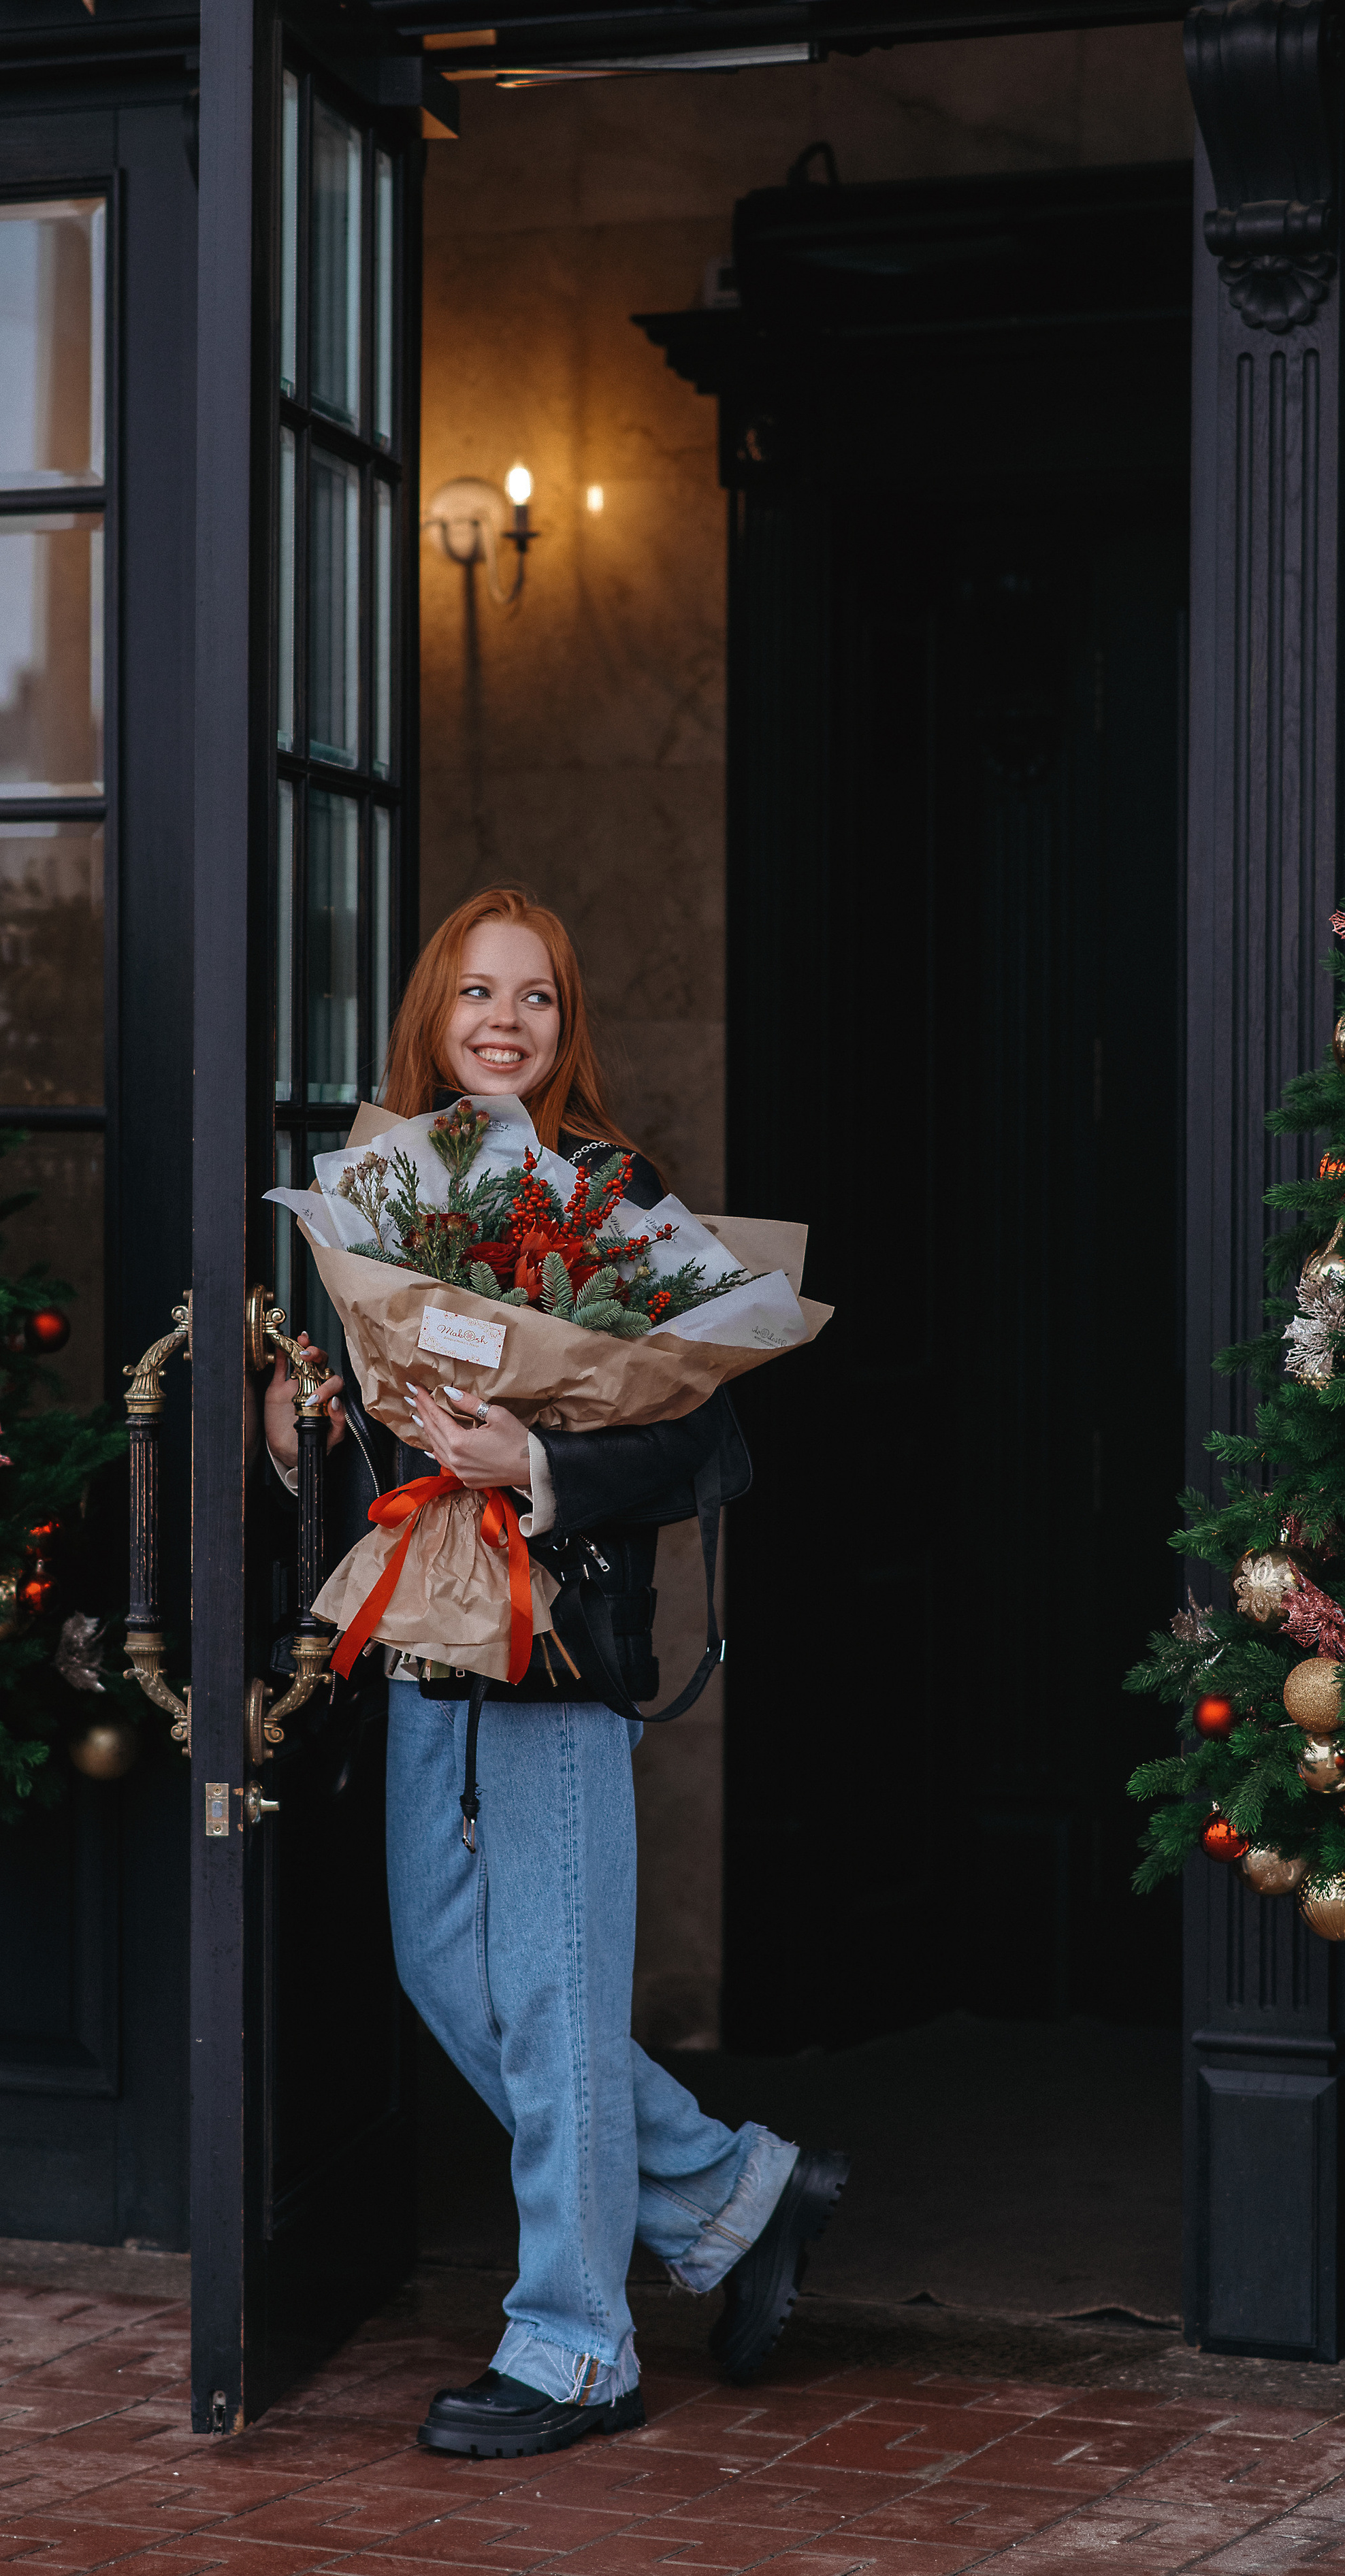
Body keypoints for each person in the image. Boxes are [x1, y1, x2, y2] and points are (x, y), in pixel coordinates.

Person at [265, 885, 847, 2459]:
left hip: (555, 1641)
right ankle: (734, 2188)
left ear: (562, 1021)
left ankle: (576, 2346)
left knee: (554, 1987)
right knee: (449, 1972)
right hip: (425, 1636)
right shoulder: (391, 1193)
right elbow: (386, 1400)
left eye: (531, 996)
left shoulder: (610, 1192)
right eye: (473, 996)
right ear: (430, 1019)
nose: (502, 1022)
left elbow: (705, 1430)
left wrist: (539, 1451)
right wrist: (312, 1412)